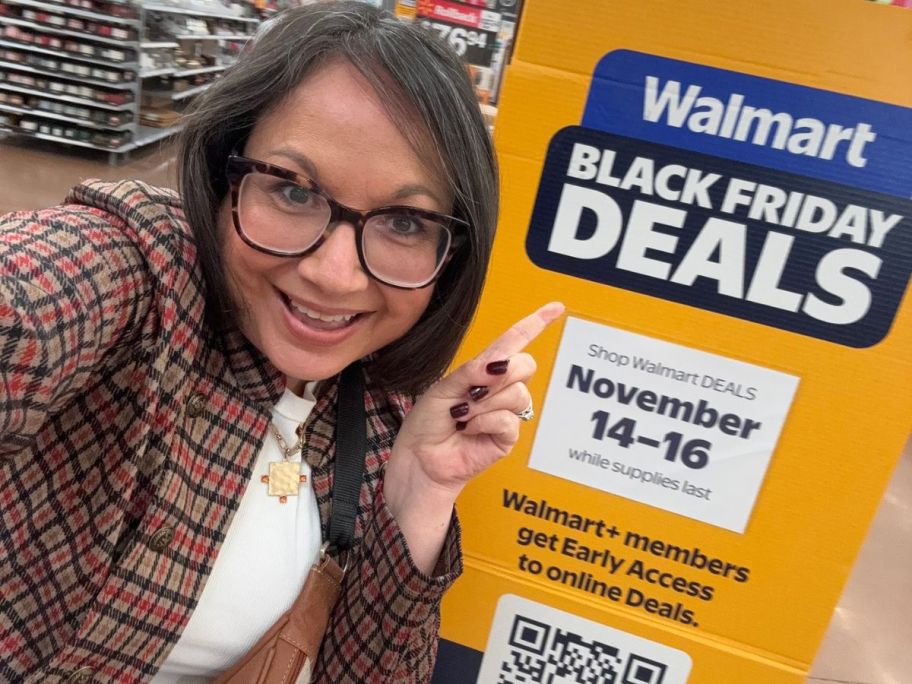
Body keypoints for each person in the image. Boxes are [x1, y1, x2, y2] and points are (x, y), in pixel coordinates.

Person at [0, 2, 564, 682]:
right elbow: (29, 299)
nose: (334, 274)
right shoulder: (134, 275)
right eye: (293, 191)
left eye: (406, 223)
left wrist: (420, 495)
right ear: (224, 172)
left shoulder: (387, 413)